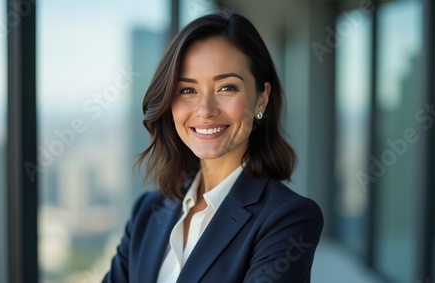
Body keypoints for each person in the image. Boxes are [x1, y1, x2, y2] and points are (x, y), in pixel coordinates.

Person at [103, 11, 323, 283]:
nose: (205, 110)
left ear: (261, 99)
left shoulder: (288, 219)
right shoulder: (148, 212)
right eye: (187, 90)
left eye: (227, 88)